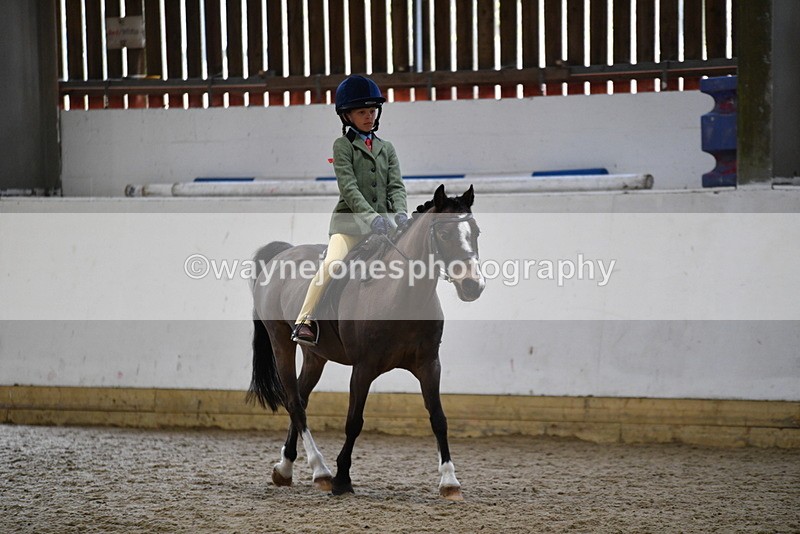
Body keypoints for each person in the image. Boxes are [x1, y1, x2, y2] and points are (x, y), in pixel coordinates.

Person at [291, 75, 409, 346]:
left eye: (372, 111)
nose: (369, 117)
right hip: (350, 228)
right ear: (347, 116)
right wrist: (373, 219)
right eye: (362, 112)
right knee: (331, 264)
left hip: (386, 226)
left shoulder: (387, 148)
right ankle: (304, 321)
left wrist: (400, 213)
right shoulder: (342, 147)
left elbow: (396, 187)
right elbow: (350, 190)